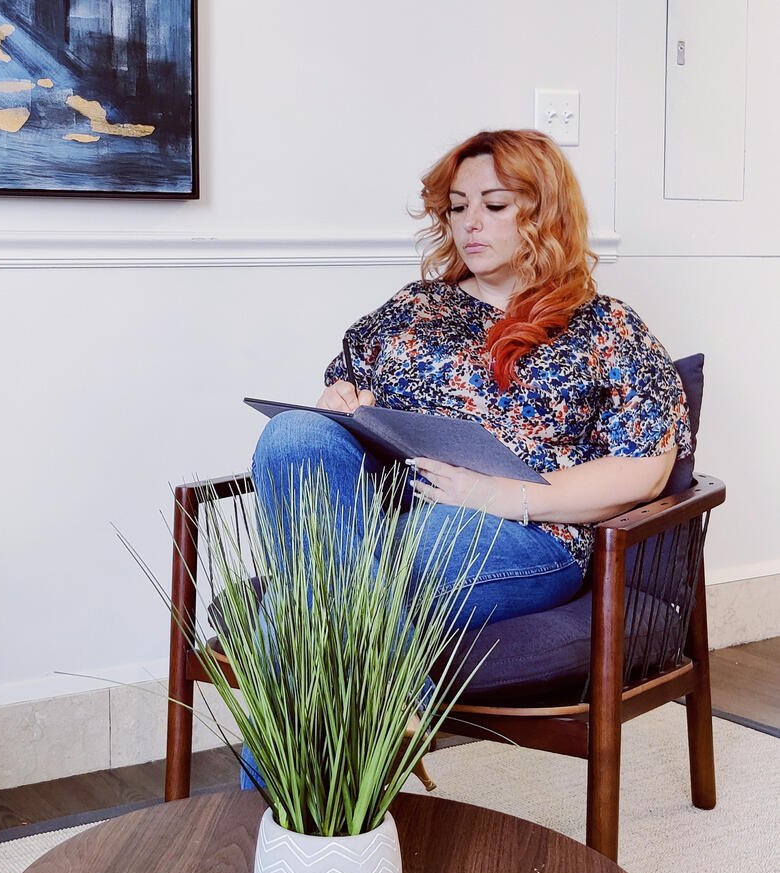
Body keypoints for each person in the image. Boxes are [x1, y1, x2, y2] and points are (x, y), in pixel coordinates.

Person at [252, 128, 691, 634]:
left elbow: (645, 469)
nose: (470, 223)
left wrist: (502, 495)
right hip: (385, 515)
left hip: (525, 529)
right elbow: (344, 398)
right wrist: (341, 404)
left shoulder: (604, 326)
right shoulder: (414, 307)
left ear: (546, 214)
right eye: (458, 207)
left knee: (375, 559)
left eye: (495, 205)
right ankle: (375, 680)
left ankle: (306, 663)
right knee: (293, 432)